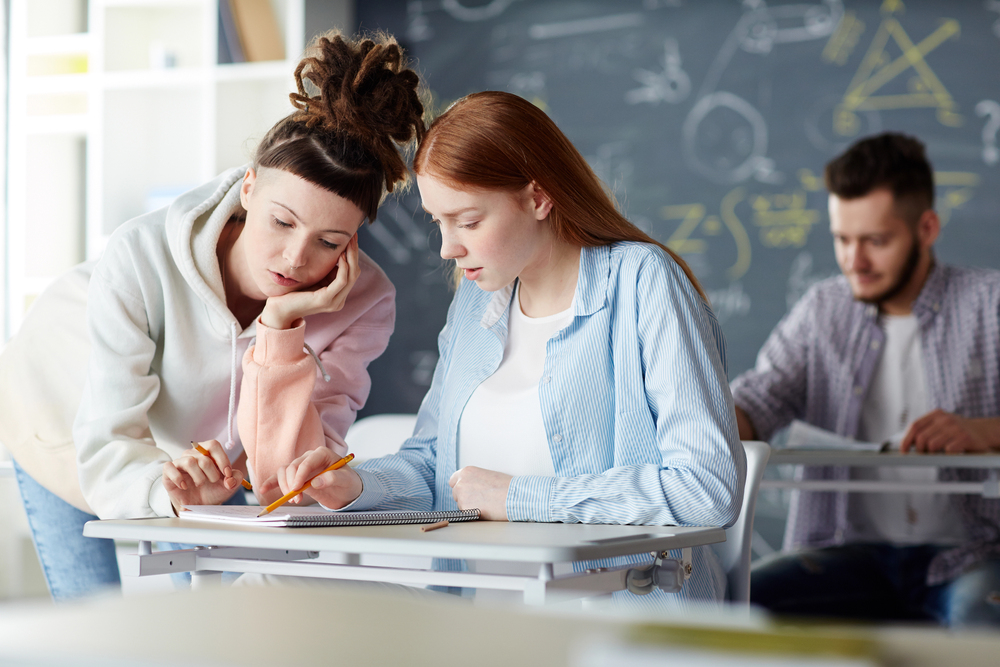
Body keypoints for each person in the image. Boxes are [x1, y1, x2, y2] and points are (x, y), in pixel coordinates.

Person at [264, 91, 746, 609]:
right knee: (271, 584)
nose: (448, 247)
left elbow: (705, 490)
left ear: (538, 198)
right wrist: (355, 487)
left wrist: (520, 498)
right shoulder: (477, 301)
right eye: (438, 222)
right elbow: (432, 466)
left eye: (468, 221)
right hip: (478, 619)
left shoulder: (643, 283)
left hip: (604, 624)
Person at [0, 31, 425, 600]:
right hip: (60, 401)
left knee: (212, 609)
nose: (296, 260)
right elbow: (106, 443)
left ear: (355, 239)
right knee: (92, 611)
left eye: (328, 241)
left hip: (192, 445)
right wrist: (167, 491)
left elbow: (286, 482)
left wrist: (280, 330)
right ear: (248, 187)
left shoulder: (364, 302)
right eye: (280, 222)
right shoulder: (139, 254)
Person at [731, 132, 1000, 626]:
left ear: (926, 227)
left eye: (876, 241)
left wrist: (984, 431)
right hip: (847, 554)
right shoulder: (822, 311)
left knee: (980, 625)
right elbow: (757, 400)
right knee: (737, 606)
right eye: (842, 239)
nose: (854, 261)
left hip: (973, 553)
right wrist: (700, 413)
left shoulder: (990, 303)